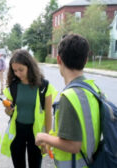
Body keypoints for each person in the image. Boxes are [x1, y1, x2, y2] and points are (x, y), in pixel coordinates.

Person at [35, 34, 101, 168]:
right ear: (86, 60)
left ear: (59, 59)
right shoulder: (93, 88)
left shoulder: (69, 97)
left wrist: (43, 137)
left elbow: (73, 145)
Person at [1, 49, 57, 168]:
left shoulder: (44, 86)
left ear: (30, 67)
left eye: (21, 70)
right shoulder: (13, 86)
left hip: (36, 134)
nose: (18, 74)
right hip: (17, 132)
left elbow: (48, 114)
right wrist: (8, 109)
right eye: (15, 70)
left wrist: (47, 138)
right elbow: (8, 112)